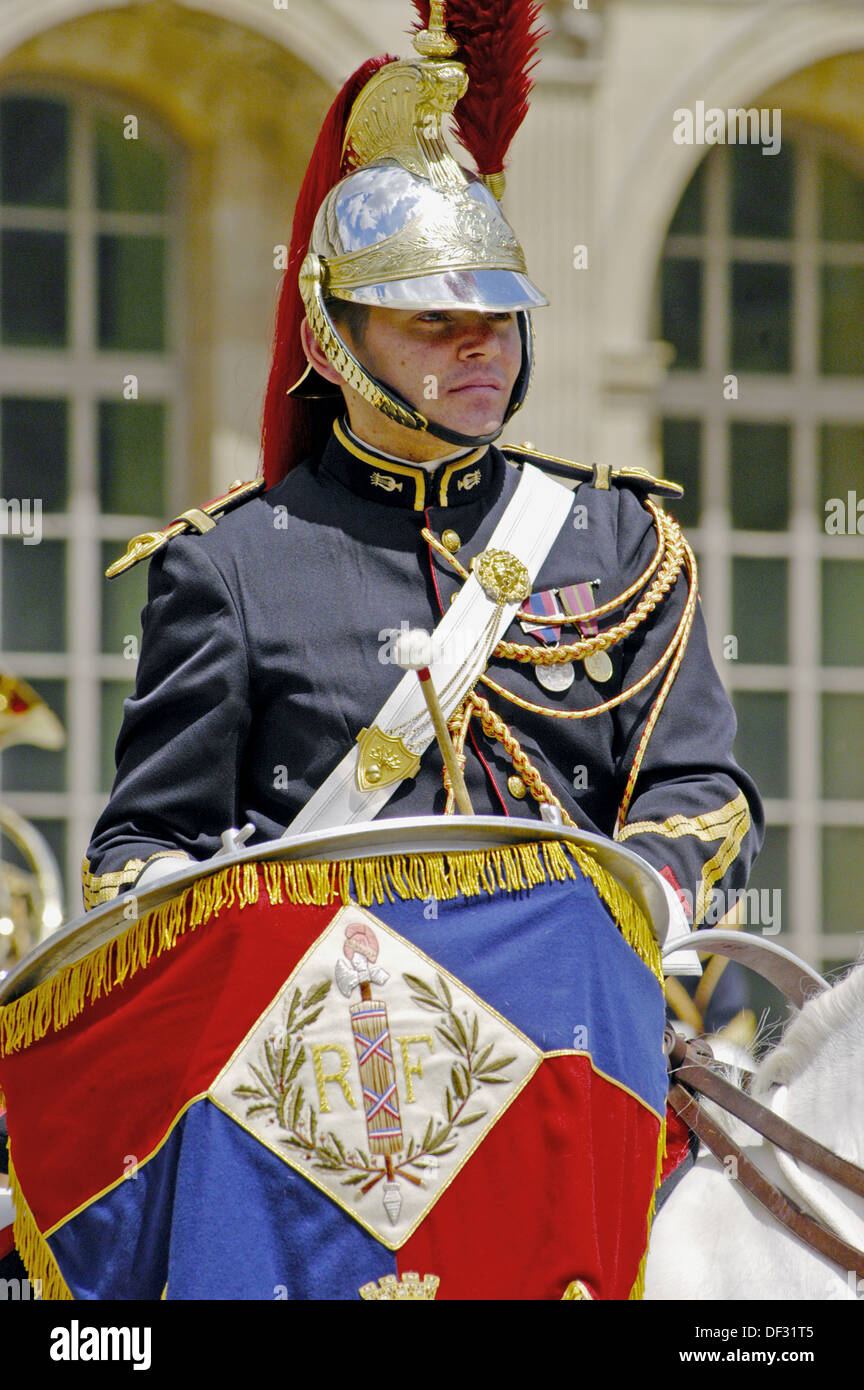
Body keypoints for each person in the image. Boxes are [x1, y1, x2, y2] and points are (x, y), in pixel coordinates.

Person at [70, 1, 764, 1300]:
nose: (480, 348)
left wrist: (634, 899)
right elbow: (136, 858)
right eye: (434, 322)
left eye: (495, 317)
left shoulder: (615, 540)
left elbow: (703, 792)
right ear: (341, 341)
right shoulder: (231, 565)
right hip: (335, 1107)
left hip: (585, 1066)